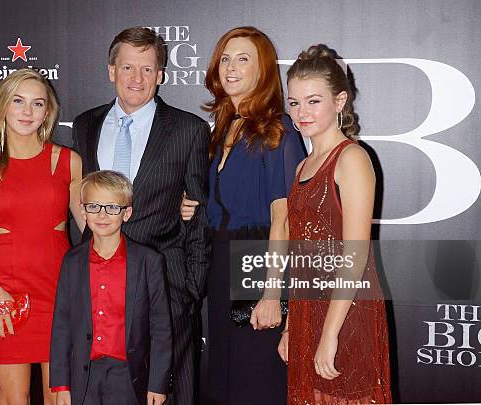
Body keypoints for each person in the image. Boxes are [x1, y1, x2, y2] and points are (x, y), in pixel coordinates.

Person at [52, 27, 210, 405]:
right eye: (127, 67)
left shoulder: (190, 129)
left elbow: (200, 217)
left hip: (168, 285)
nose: (136, 79)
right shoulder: (86, 124)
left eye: (147, 69)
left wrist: (190, 289)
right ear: (111, 71)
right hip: (98, 282)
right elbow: (80, 195)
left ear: (161, 74)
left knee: (171, 395)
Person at [0, 68, 84, 405]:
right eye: (18, 101)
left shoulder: (67, 161)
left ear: (48, 112)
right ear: (3, 106)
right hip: (4, 292)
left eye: (37, 103)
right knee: (12, 400)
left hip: (59, 291)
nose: (27, 111)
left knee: (60, 398)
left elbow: (94, 225)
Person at [181, 27, 306, 404]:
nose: (231, 68)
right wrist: (196, 205)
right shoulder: (222, 130)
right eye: (225, 58)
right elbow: (225, 200)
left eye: (243, 59)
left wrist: (271, 294)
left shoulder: (279, 130)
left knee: (255, 382)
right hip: (221, 263)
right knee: (226, 381)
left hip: (257, 261)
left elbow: (284, 218)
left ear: (263, 70)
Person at [278, 44, 391, 404]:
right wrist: (292, 325)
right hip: (307, 309)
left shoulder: (353, 158)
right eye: (294, 102)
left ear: (339, 101)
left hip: (347, 312)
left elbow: (354, 257)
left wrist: (330, 334)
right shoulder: (302, 167)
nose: (301, 112)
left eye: (313, 101)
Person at [50, 170, 172, 405]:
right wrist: (61, 384)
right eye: (94, 206)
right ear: (83, 210)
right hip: (84, 377)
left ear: (127, 213)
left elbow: (161, 329)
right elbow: (62, 326)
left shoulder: (149, 261)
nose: (102, 215)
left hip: (128, 376)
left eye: (113, 207)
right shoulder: (72, 262)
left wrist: (157, 383)